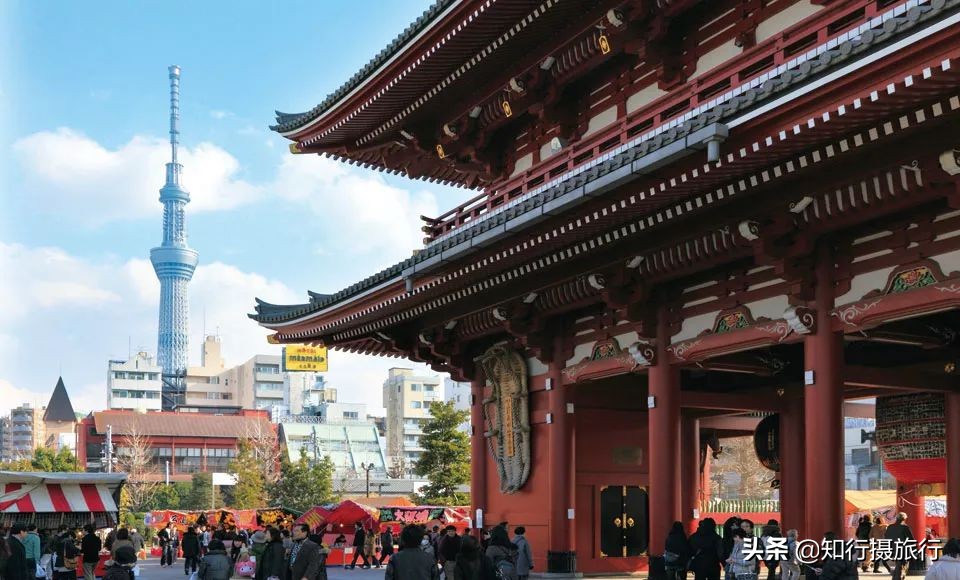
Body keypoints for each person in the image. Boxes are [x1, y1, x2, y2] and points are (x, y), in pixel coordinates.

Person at [885, 512, 913, 580]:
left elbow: (886, 537)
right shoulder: (905, 527)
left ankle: (895, 577)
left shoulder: (890, 527)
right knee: (901, 567)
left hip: (893, 549)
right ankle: (898, 578)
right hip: (902, 550)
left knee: (898, 565)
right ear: (904, 519)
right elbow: (910, 540)